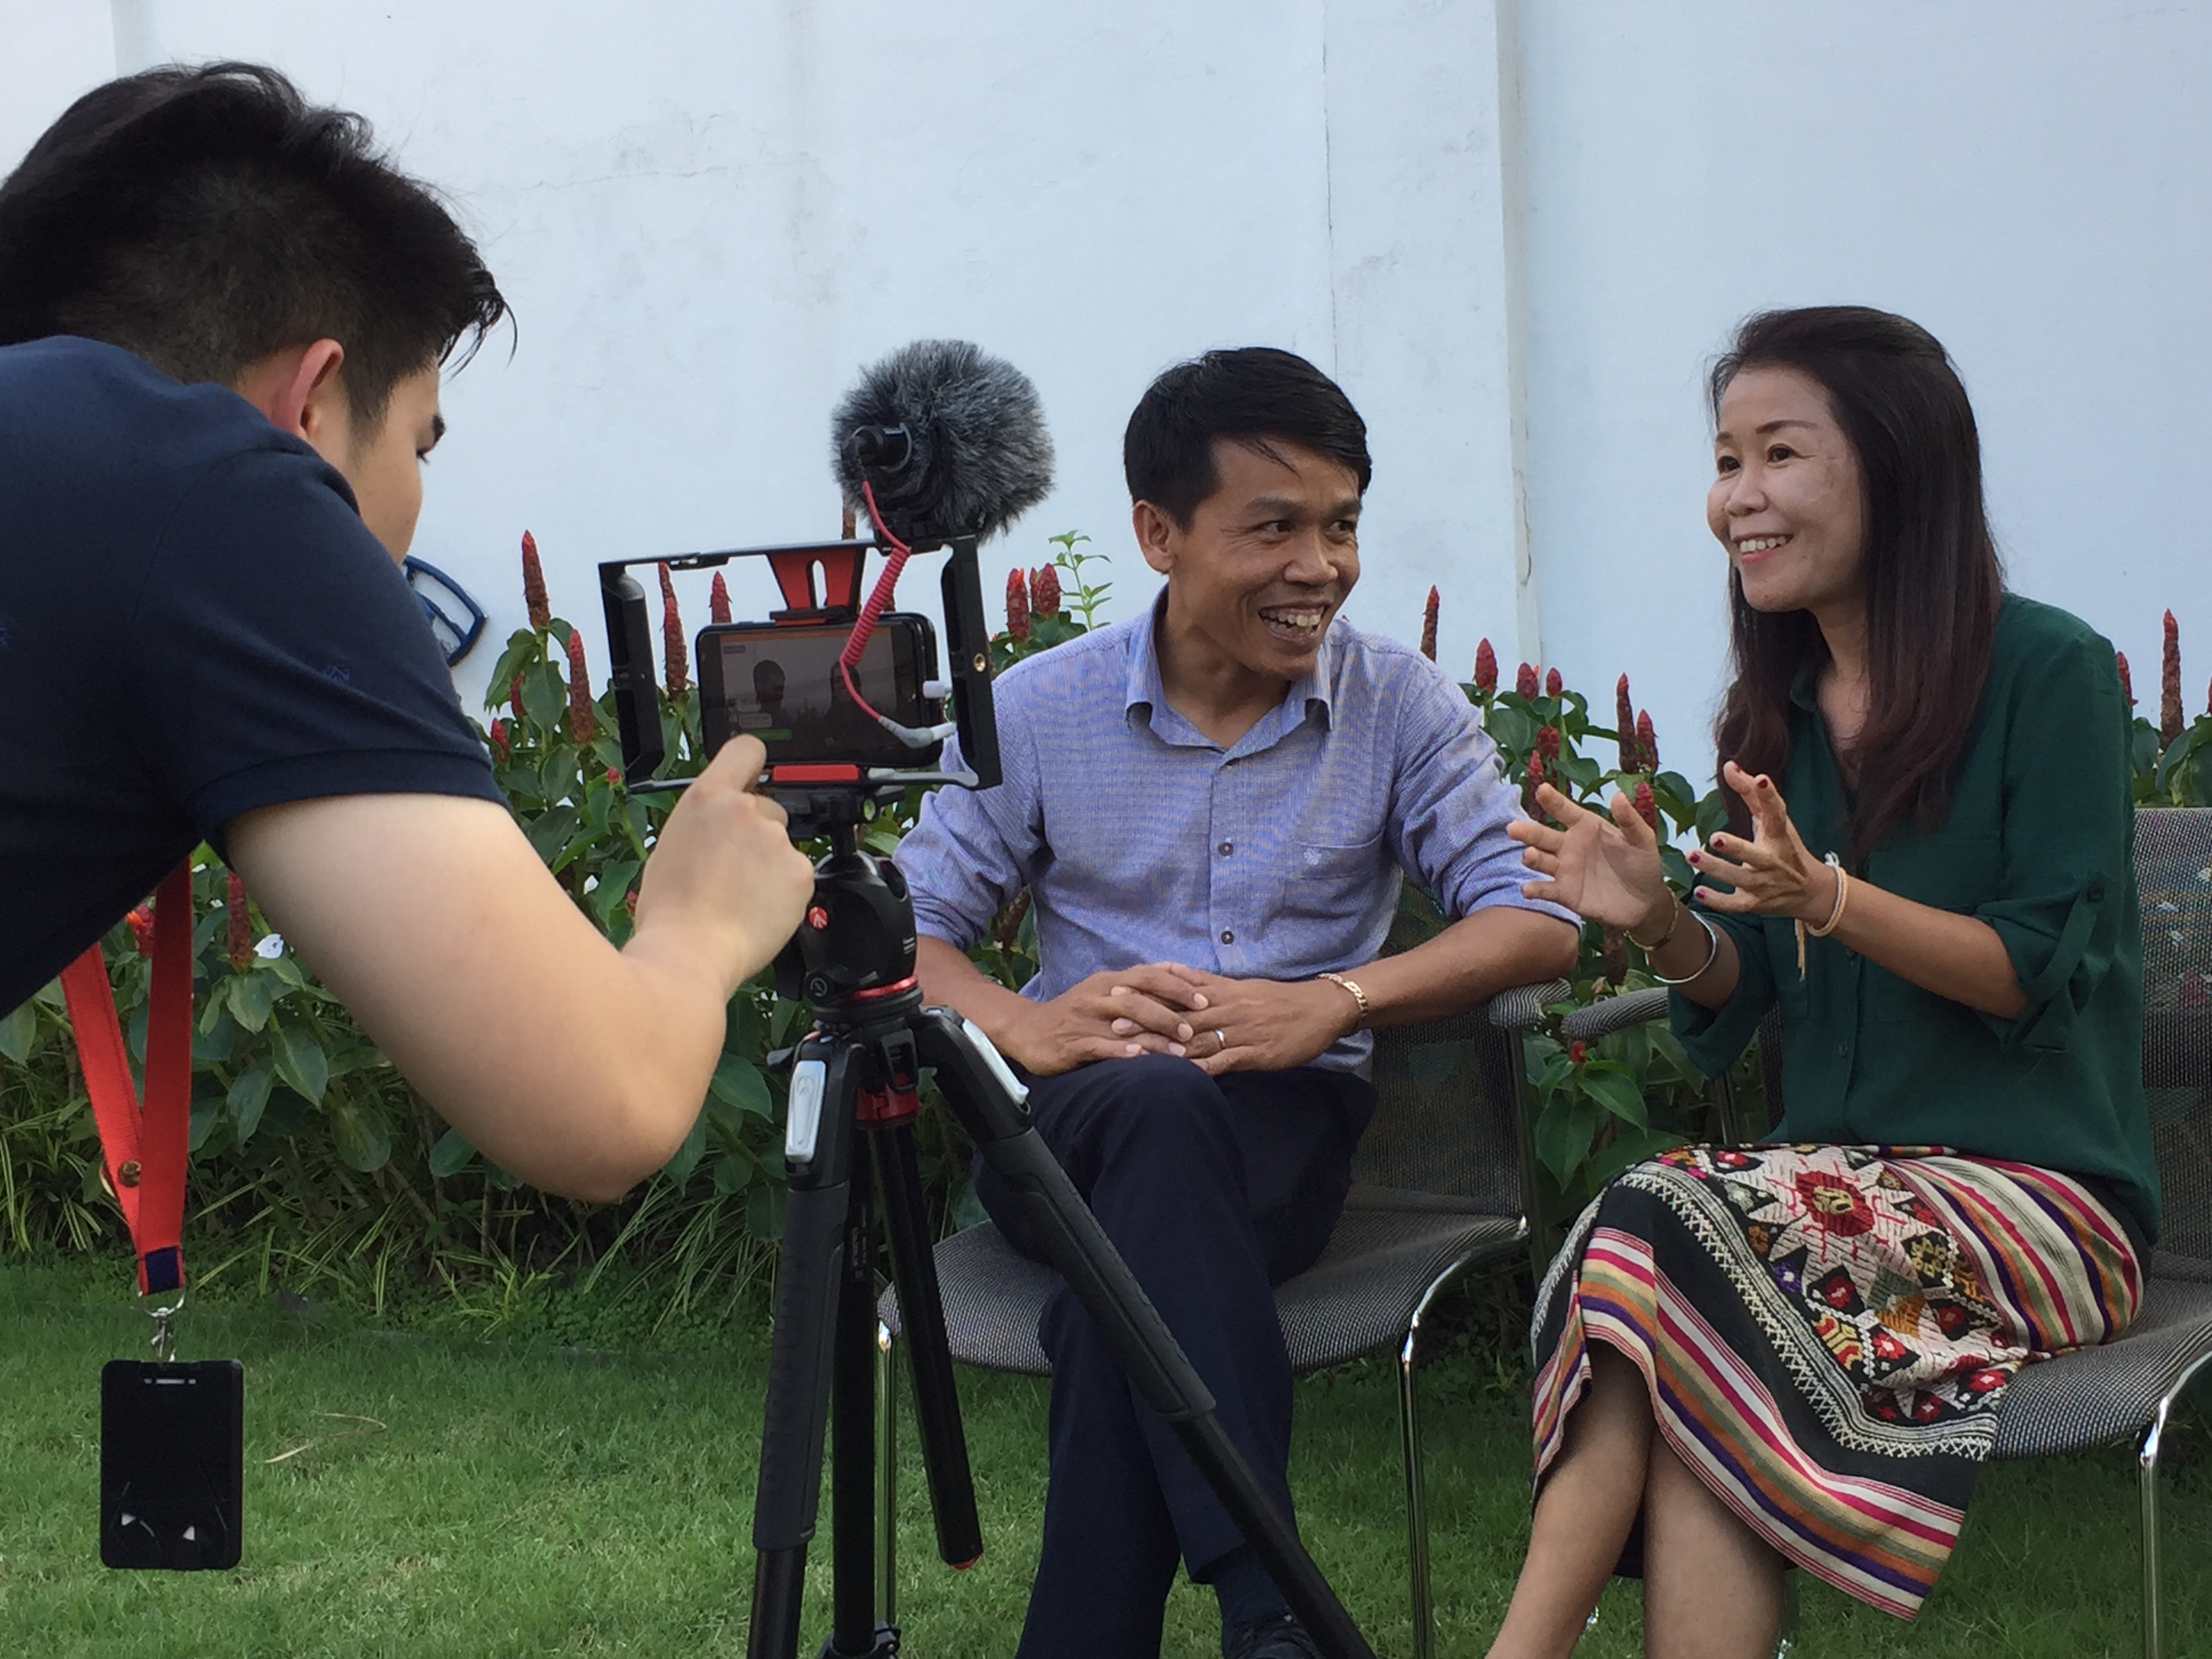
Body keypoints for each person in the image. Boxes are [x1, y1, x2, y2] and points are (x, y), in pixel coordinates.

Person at [0, 64, 814, 1202]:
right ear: (309, 403)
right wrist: (698, 924)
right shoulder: (217, 483)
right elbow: (607, 1100)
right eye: (419, 445)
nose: (414, 495)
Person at [895, 346, 1580, 1659]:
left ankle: (1211, 1626)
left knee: (1111, 1311)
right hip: (1066, 1129)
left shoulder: (1398, 707)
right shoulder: (1039, 711)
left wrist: (1334, 1000)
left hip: (1281, 1132)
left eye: (1341, 527)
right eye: (1274, 529)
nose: (1318, 567)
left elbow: (1536, 919)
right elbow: (909, 933)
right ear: (1160, 534)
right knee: (1150, 1109)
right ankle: (1272, 1611)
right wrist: (1028, 1025)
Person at [1494, 306, 2156, 1658]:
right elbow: (1736, 991)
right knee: (1688, 1326)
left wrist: (1835, 901)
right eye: (1725, 460)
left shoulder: (2051, 673)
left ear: (1899, 465)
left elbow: (2030, 975)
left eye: (1778, 454)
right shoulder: (1780, 709)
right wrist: (1660, 920)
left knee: (1660, 1222)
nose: (1736, 496)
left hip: (2044, 1210)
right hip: (1813, 1214)